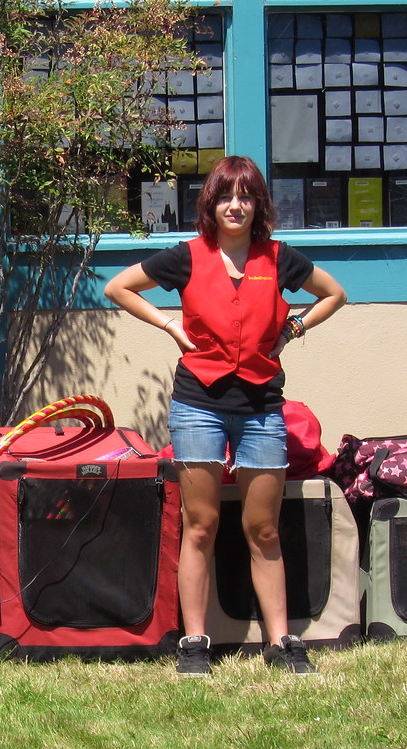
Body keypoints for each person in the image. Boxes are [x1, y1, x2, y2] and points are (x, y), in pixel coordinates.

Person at [104, 156, 347, 676]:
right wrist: (169, 324)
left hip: (261, 407)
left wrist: (293, 329)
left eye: (245, 196)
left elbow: (335, 294)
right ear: (210, 205)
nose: (235, 205)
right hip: (199, 404)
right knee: (201, 525)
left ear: (258, 204)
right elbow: (118, 287)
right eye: (224, 196)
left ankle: (280, 642)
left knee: (263, 529)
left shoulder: (278, 258)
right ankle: (194, 642)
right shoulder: (188, 257)